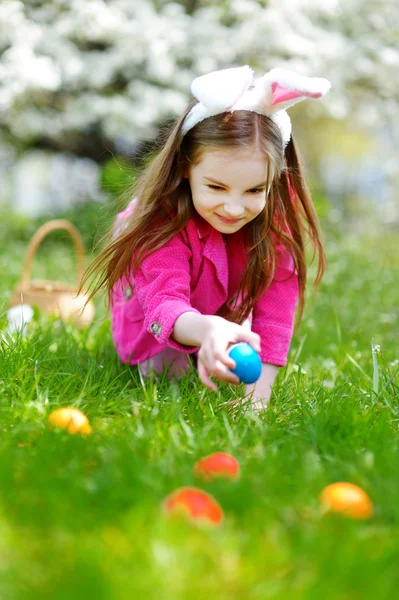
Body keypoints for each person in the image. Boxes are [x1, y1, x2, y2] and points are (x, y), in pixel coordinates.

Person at [84, 65, 330, 409]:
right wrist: (205, 330)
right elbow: (164, 303)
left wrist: (256, 402)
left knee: (236, 349)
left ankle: (217, 333)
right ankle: (203, 338)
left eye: (254, 189)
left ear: (272, 180)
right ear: (186, 167)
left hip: (219, 306)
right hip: (158, 321)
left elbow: (275, 314)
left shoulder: (274, 223)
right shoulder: (159, 224)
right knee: (169, 380)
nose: (233, 207)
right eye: (216, 187)